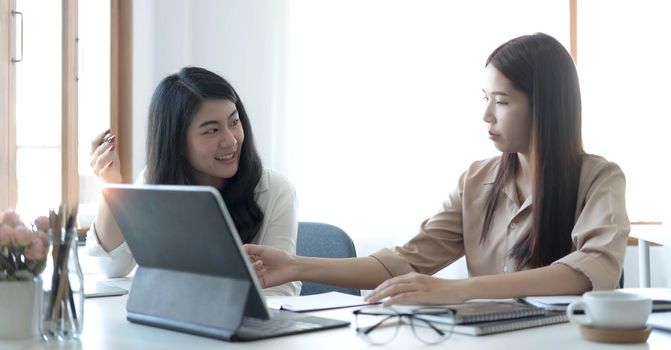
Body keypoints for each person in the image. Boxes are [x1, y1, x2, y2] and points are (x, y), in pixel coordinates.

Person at [244, 33, 629, 305]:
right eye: (485, 99)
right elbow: (404, 262)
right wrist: (295, 267)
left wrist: (460, 290)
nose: (486, 115)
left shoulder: (598, 178)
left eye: (502, 101)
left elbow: (591, 271)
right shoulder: (476, 181)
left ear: (544, 106)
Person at [86, 67, 300, 296]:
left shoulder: (275, 190)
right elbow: (112, 267)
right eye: (212, 131)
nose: (230, 140)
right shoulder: (155, 181)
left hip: (241, 327)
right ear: (176, 141)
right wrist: (110, 186)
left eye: (234, 122)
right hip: (173, 321)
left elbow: (280, 292)